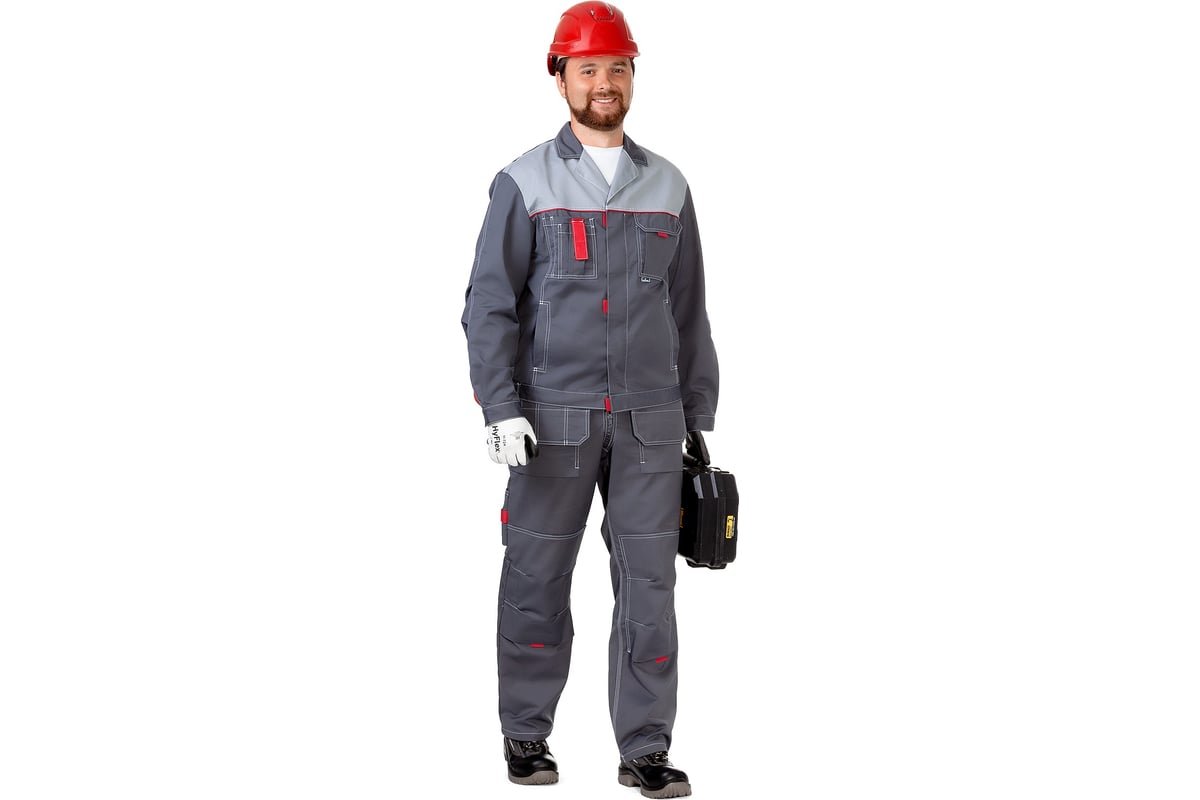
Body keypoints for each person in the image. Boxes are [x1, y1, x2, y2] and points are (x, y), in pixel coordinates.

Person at [461, 3, 719, 797]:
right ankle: (525, 735)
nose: (603, 82)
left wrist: (698, 418)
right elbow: (489, 304)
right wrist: (499, 405)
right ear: (560, 77)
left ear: (632, 76)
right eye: (587, 69)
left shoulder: (669, 184)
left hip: (651, 423)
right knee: (536, 580)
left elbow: (688, 309)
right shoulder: (524, 181)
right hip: (552, 422)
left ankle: (646, 748)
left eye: (616, 67)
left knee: (650, 591)